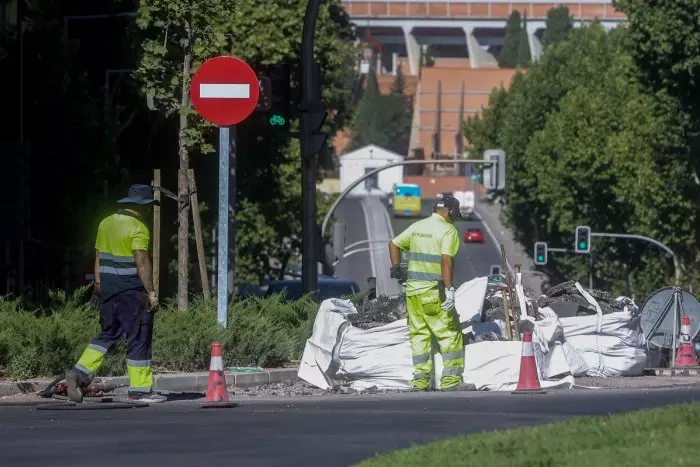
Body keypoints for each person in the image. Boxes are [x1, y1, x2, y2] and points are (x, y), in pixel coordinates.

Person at [65, 184, 166, 404]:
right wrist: (151, 292)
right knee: (139, 337)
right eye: (149, 206)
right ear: (144, 206)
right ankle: (140, 391)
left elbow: (99, 256)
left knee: (108, 334)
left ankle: (79, 373)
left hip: (108, 291)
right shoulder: (138, 227)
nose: (149, 210)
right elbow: (141, 260)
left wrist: (98, 285)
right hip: (131, 292)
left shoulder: (105, 223)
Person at [388, 195, 472, 391]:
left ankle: (421, 381)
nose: (455, 219)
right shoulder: (448, 230)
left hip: (412, 293)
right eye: (455, 215)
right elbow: (446, 261)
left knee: (419, 335)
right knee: (449, 332)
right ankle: (451, 381)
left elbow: (394, 244)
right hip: (433, 292)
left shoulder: (418, 227)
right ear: (449, 212)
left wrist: (396, 267)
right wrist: (450, 290)